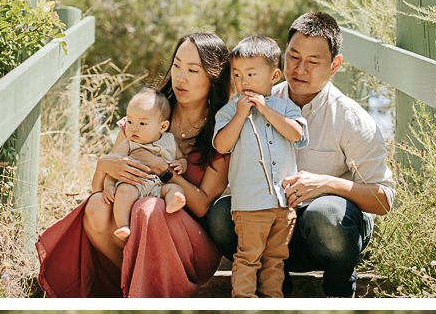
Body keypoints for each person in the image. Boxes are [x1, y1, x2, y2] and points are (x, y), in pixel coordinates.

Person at [206, 11, 395, 298]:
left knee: (326, 213)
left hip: (326, 235)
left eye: (313, 62)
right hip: (271, 226)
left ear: (335, 65)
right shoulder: (256, 100)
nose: (300, 69)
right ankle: (274, 288)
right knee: (221, 215)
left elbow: (383, 200)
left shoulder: (352, 119)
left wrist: (326, 184)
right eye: (293, 57)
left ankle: (338, 290)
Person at [37, 33, 231, 298]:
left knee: (147, 207)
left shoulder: (222, 131)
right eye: (176, 65)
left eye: (192, 70)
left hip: (193, 245)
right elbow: (98, 191)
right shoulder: (145, 114)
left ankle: (146, 287)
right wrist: (104, 164)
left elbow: (203, 204)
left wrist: (162, 170)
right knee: (95, 207)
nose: (180, 76)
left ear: (214, 76)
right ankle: (137, 283)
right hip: (135, 232)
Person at [213, 37, 308, 298]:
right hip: (250, 204)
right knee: (248, 256)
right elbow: (221, 145)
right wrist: (241, 115)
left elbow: (297, 134)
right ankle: (243, 299)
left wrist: (266, 111)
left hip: (283, 204)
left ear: (274, 75)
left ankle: (271, 299)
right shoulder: (229, 112)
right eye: (237, 74)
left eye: (251, 74)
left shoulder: (286, 107)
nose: (243, 81)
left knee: (276, 259)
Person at [99, 89, 188, 241]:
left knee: (175, 188)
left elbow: (182, 158)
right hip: (134, 185)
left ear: (162, 127)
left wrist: (181, 164)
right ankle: (123, 225)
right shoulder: (128, 144)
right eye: (130, 121)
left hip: (159, 186)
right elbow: (112, 171)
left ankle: (172, 203)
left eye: (142, 123)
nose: (134, 128)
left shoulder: (169, 141)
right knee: (124, 192)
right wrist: (108, 186)